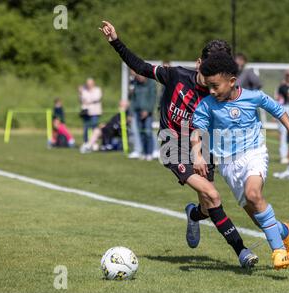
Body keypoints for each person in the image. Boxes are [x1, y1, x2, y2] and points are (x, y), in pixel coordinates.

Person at [99, 20, 258, 268]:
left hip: (203, 147)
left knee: (208, 206)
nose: (212, 79)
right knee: (213, 194)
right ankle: (242, 252)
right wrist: (115, 42)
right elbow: (141, 67)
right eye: (208, 70)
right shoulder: (176, 75)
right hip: (171, 143)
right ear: (198, 63)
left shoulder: (219, 95)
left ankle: (193, 215)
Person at [192, 52, 289, 269]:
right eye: (209, 87)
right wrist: (197, 154)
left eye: (215, 86)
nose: (212, 91)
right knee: (259, 219)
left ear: (232, 81)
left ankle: (278, 251)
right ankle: (285, 231)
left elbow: (278, 110)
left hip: (254, 153)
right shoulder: (207, 104)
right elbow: (197, 131)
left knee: (254, 194)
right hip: (227, 164)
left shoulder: (253, 97)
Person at [128, 71, 157, 161]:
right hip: (137, 112)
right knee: (141, 133)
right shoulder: (136, 84)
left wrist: (147, 110)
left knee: (148, 132)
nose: (140, 78)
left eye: (141, 76)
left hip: (147, 113)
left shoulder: (151, 84)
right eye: (138, 76)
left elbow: (153, 99)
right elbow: (133, 100)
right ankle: (144, 152)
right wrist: (130, 113)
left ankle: (150, 152)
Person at [275, 70, 289, 164]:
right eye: (288, 75)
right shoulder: (283, 87)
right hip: (286, 108)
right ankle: (283, 155)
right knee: (284, 132)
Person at [79, 78, 102, 143]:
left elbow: (96, 98)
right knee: (86, 127)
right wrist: (80, 93)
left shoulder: (97, 90)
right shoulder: (84, 90)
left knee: (94, 127)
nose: (89, 85)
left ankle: (93, 142)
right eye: (87, 84)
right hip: (86, 112)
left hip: (95, 112)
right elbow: (81, 100)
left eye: (90, 84)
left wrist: (87, 100)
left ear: (93, 83)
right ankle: (86, 142)